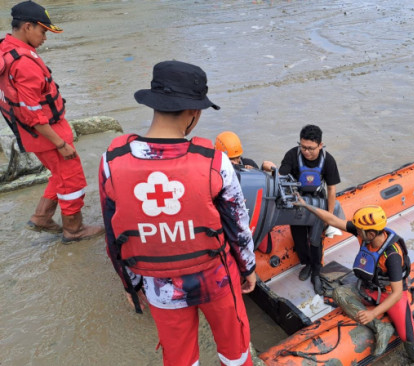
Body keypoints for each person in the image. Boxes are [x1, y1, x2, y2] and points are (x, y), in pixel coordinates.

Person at [98, 60, 260, 366]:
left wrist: (130, 284)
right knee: (235, 350)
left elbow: (114, 235)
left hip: (161, 288)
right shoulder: (215, 161)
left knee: (180, 359)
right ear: (194, 114)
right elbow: (238, 227)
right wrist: (248, 268)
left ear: (155, 106)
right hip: (217, 279)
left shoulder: (112, 161)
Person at [0, 1, 103, 242]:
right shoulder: (24, 63)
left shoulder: (6, 48)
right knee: (73, 180)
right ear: (27, 27)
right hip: (46, 133)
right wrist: (60, 143)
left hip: (33, 132)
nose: (45, 37)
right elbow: (33, 114)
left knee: (60, 173)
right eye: (43, 30)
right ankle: (74, 229)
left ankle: (42, 217)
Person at [294, 197, 414, 365]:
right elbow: (333, 220)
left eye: (360, 230)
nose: (357, 232)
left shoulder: (392, 255)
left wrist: (372, 312)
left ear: (371, 233)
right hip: (369, 288)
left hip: (390, 293)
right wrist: (307, 205)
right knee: (339, 293)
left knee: (407, 335)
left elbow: (396, 294)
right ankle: (380, 327)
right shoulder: (366, 235)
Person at [278, 124, 340, 295]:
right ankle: (306, 263)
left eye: (311, 148)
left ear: (320, 145)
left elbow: (331, 189)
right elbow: (282, 176)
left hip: (317, 203)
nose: (306, 152)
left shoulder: (328, 160)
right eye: (303, 147)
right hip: (297, 202)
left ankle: (316, 270)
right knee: (298, 238)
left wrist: (329, 215)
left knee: (315, 239)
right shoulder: (292, 155)